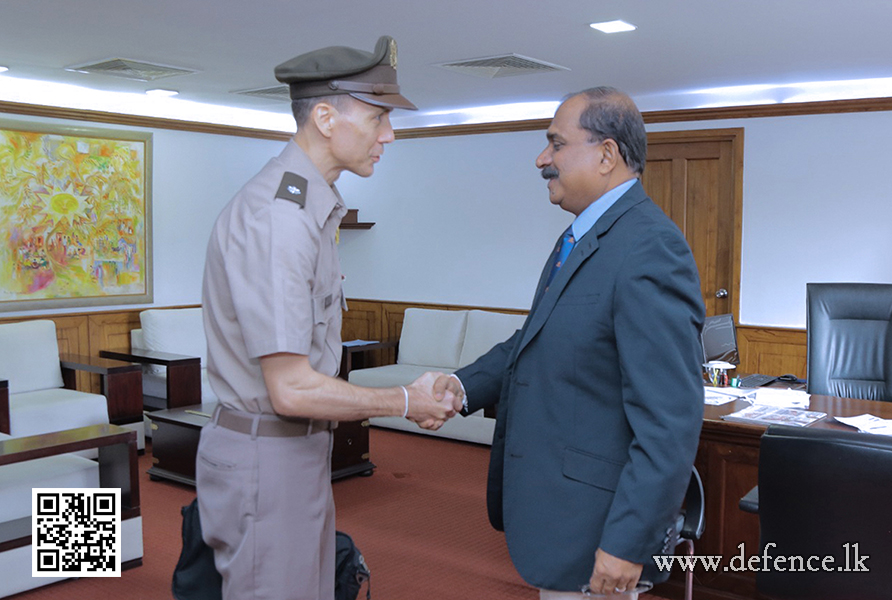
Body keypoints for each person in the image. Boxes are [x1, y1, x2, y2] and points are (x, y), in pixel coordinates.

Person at [197, 36, 458, 600]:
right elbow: (290, 389)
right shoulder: (281, 218)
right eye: (378, 116)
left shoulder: (311, 208)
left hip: (293, 452)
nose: (389, 134)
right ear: (324, 117)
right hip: (268, 454)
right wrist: (403, 401)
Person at [434, 87, 706, 599]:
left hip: (599, 532)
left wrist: (628, 544)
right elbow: (537, 339)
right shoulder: (579, 237)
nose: (542, 159)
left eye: (555, 144)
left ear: (606, 155)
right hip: (562, 519)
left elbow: (669, 421)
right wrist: (460, 386)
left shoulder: (650, 249)